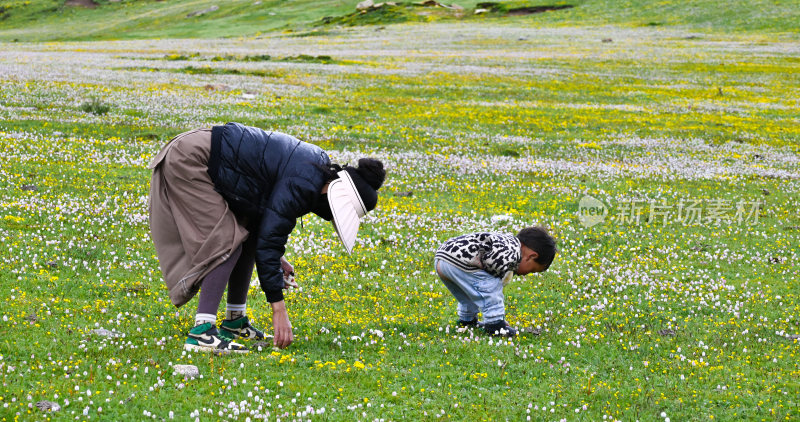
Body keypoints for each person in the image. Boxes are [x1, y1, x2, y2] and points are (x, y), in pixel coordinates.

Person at [148, 122, 385, 353]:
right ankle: (202, 331)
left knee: (247, 238)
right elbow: (269, 243)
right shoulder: (305, 180)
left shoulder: (313, 171)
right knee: (226, 241)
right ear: (334, 193)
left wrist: (277, 260)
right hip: (191, 158)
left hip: (200, 155)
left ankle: (234, 321)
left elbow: (263, 232)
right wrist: (279, 310)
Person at [434, 226, 557, 337]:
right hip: (461, 262)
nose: (526, 274)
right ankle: (495, 325)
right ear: (531, 256)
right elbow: (492, 266)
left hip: (443, 257)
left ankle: (467, 320)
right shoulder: (512, 251)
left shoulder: (507, 241)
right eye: (532, 270)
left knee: (468, 294)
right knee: (491, 286)